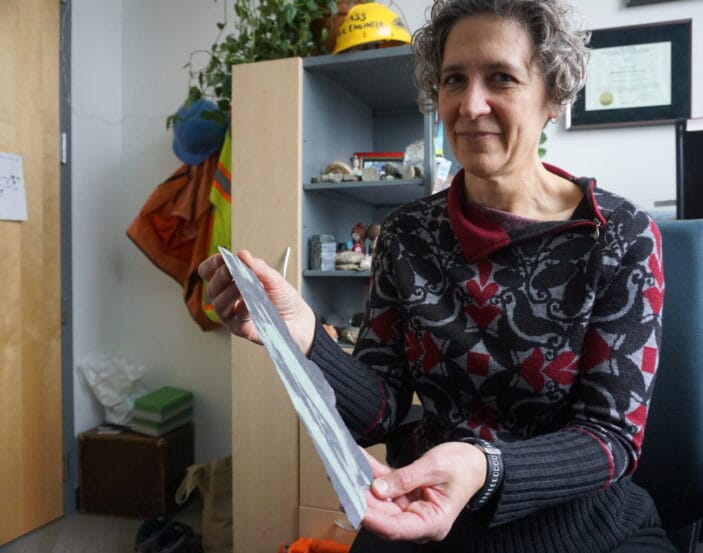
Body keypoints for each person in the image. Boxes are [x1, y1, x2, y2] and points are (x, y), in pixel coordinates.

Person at [199, 1, 672, 551]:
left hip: (580, 530)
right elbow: (382, 411)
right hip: (424, 517)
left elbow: (610, 438)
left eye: (501, 78)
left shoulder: (617, 235)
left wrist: (486, 468)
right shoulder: (406, 234)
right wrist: (303, 335)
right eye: (454, 80)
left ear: (553, 97)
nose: (471, 105)